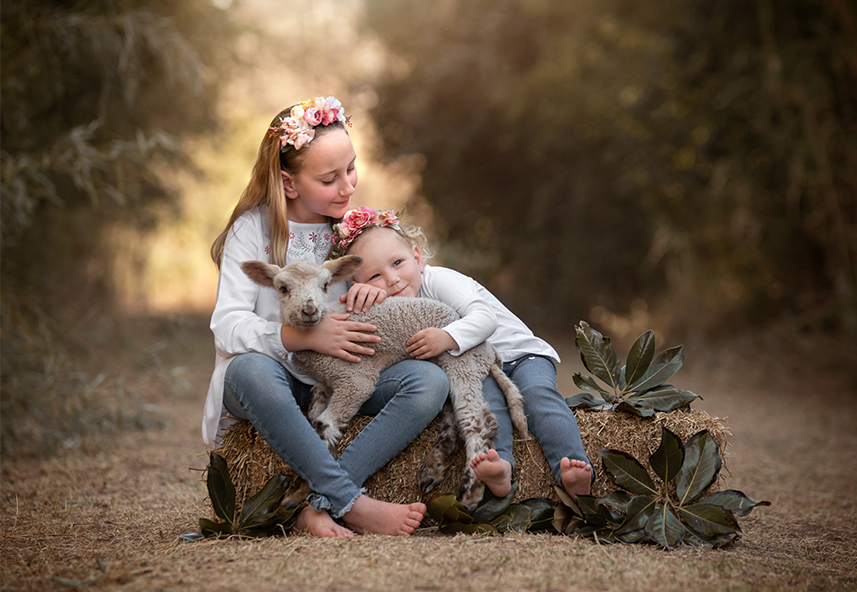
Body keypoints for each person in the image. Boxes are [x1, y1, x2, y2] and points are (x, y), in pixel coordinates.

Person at [202, 97, 449, 537]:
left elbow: (402, 287)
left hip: (335, 380)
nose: (347, 186)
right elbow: (227, 326)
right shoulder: (252, 230)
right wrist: (303, 338)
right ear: (289, 183)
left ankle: (318, 503)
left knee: (428, 382)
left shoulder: (351, 233)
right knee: (249, 370)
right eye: (329, 178)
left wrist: (377, 288)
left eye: (351, 169)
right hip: (267, 384)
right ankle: (349, 501)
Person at [334, 207, 594, 500]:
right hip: (478, 368)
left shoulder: (438, 280)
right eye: (375, 276)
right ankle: (502, 468)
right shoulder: (389, 312)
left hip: (521, 356)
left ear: (417, 258)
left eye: (397, 263)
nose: (392, 279)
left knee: (539, 397)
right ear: (358, 286)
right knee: (486, 406)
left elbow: (485, 317)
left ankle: (573, 469)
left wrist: (447, 337)